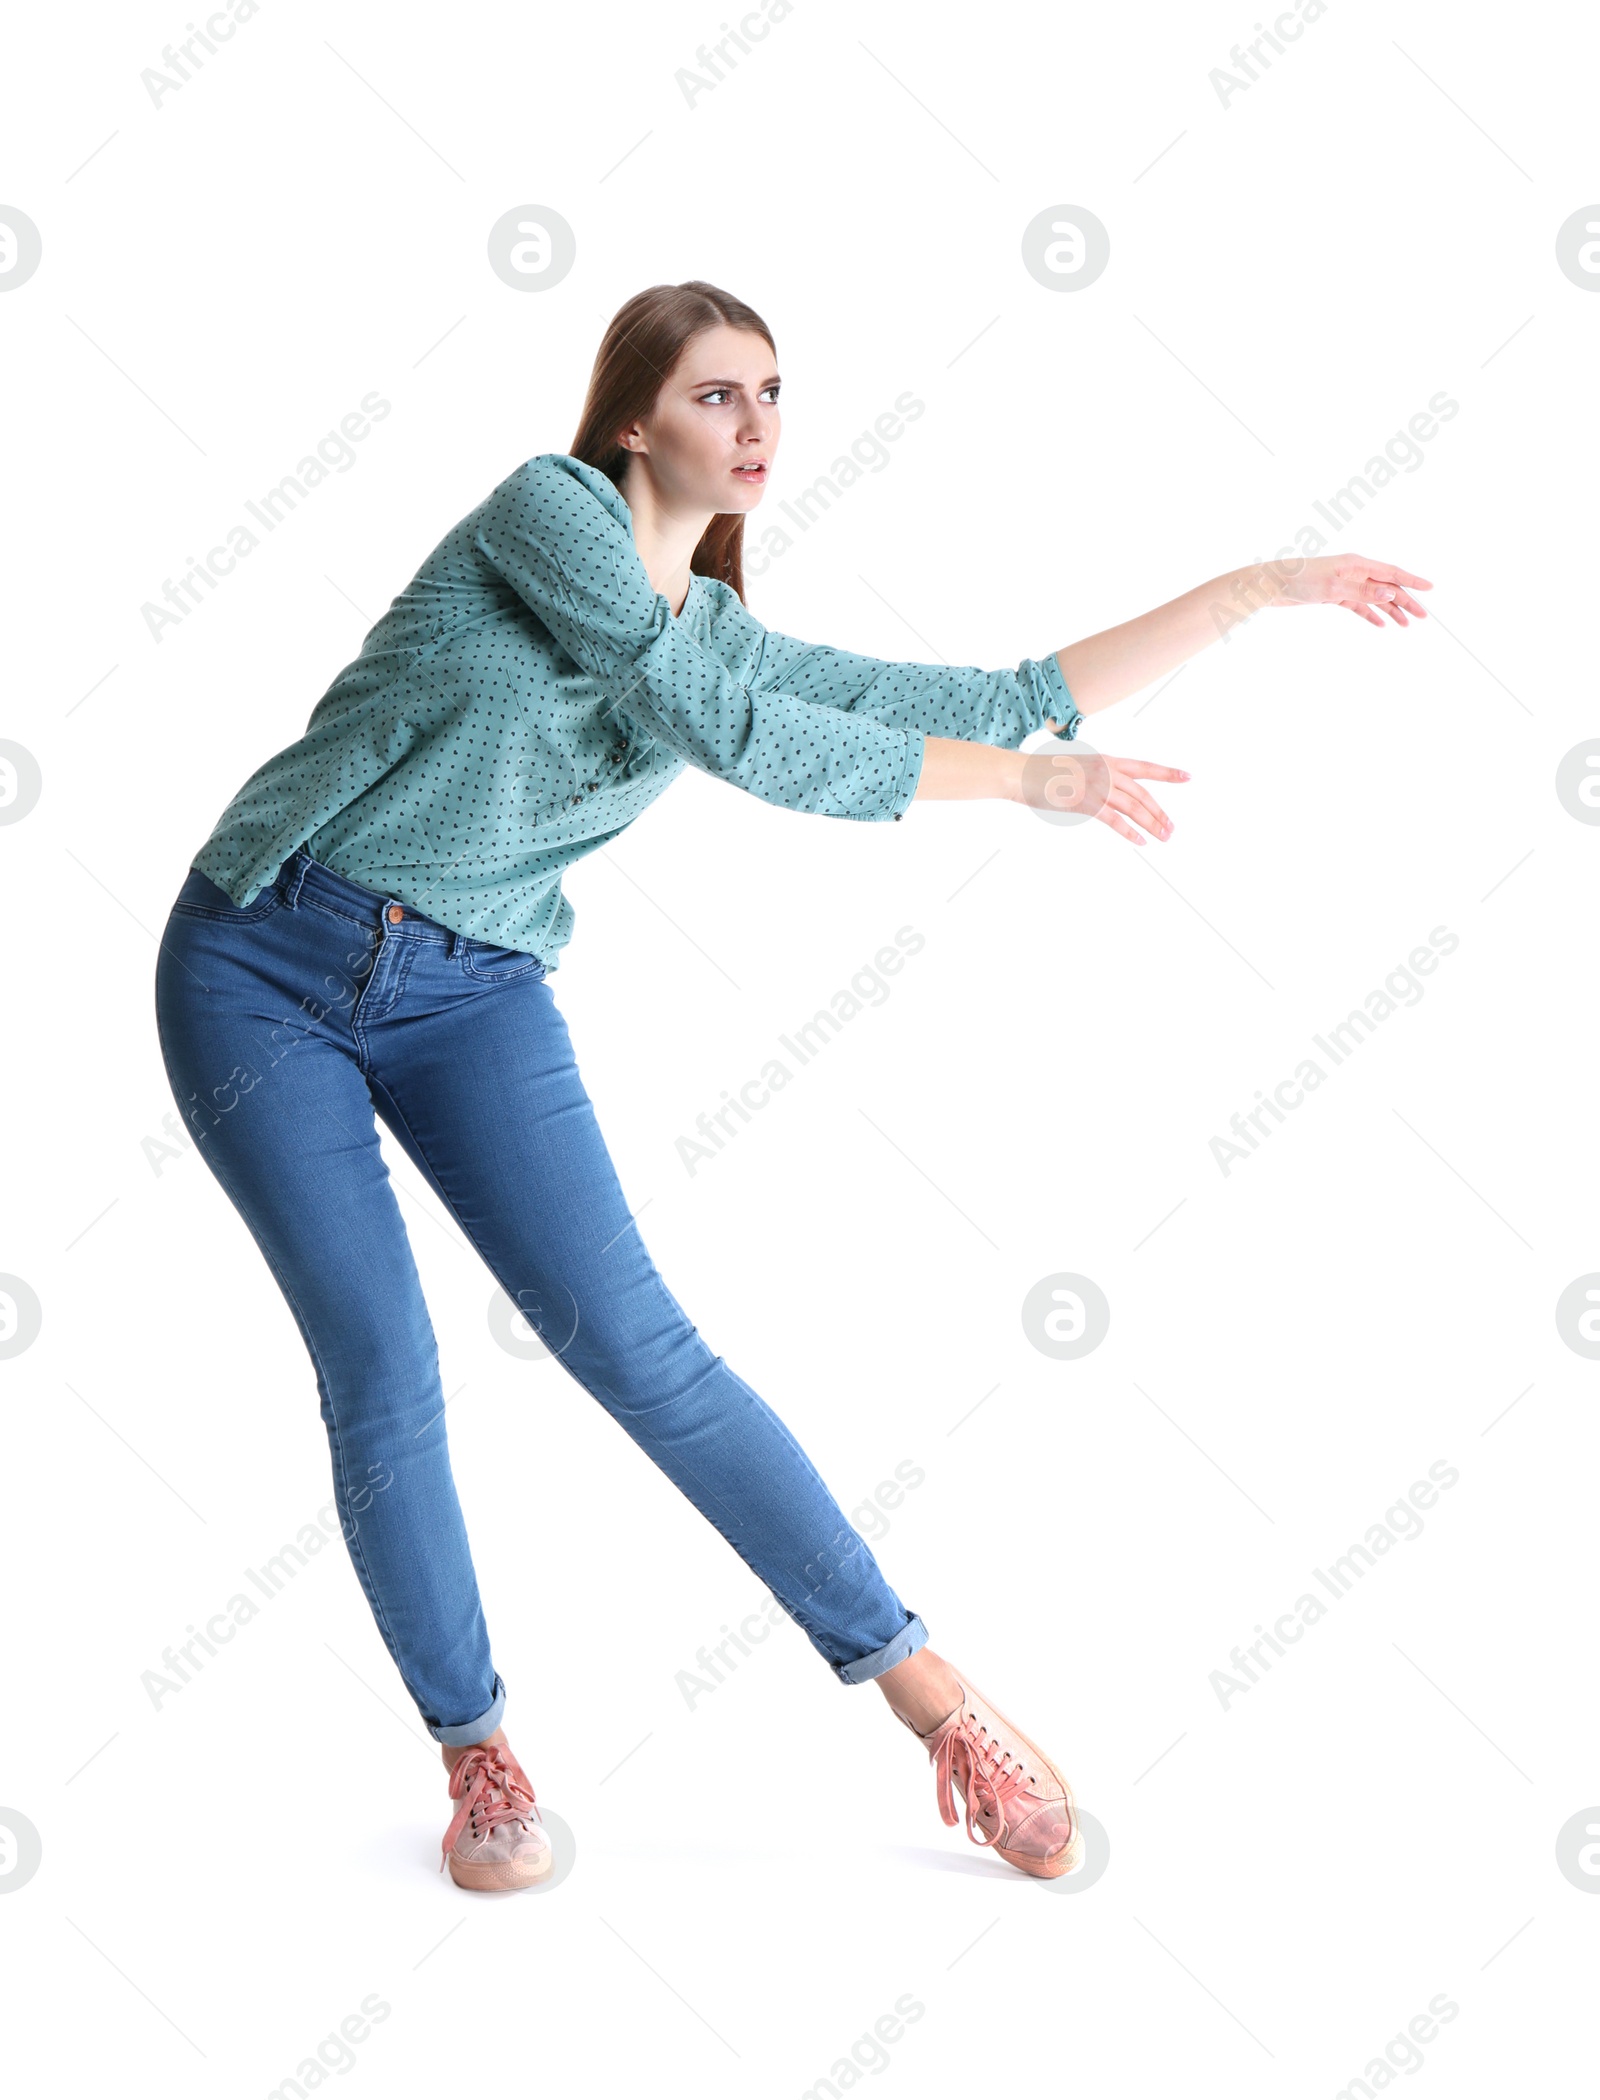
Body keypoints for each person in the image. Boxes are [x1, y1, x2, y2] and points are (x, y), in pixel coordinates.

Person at [154, 279, 1431, 1891]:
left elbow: (986, 700)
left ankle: (934, 1701)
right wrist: (1025, 789)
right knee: (386, 1365)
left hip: (471, 988)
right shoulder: (546, 514)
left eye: (772, 394)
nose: (756, 427)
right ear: (634, 418)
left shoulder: (719, 627)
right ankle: (479, 1755)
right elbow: (741, 741)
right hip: (264, 959)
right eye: (715, 396)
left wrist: (1256, 587)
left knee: (643, 1349)